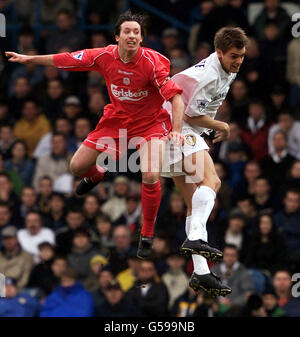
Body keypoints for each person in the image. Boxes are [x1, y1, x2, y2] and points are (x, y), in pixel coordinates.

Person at [6, 11, 184, 260]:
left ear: (141, 39)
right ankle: (98, 173)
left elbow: (176, 98)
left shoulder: (153, 63)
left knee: (151, 174)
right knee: (77, 167)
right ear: (117, 37)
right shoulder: (104, 55)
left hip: (150, 124)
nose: (132, 35)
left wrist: (176, 131)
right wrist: (30, 59)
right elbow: (66, 59)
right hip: (116, 121)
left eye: (136, 32)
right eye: (127, 31)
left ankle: (147, 232)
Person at [161, 27, 248, 296]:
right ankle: (197, 237)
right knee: (212, 181)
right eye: (234, 56)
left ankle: (201, 272)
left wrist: (208, 126)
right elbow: (192, 115)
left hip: (165, 128)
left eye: (242, 56)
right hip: (175, 126)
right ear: (218, 52)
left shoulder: (226, 69)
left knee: (193, 202)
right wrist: (221, 125)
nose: (238, 61)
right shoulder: (209, 75)